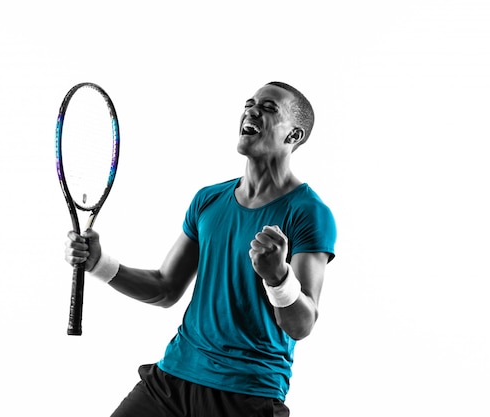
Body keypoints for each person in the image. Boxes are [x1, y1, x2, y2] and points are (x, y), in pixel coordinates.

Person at [65, 81, 337, 417]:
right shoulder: (208, 200)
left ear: (294, 136)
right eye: (249, 103)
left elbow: (302, 325)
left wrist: (279, 278)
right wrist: (100, 264)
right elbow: (165, 288)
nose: (251, 110)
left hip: (244, 394)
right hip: (170, 380)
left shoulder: (309, 212)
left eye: (268, 108)